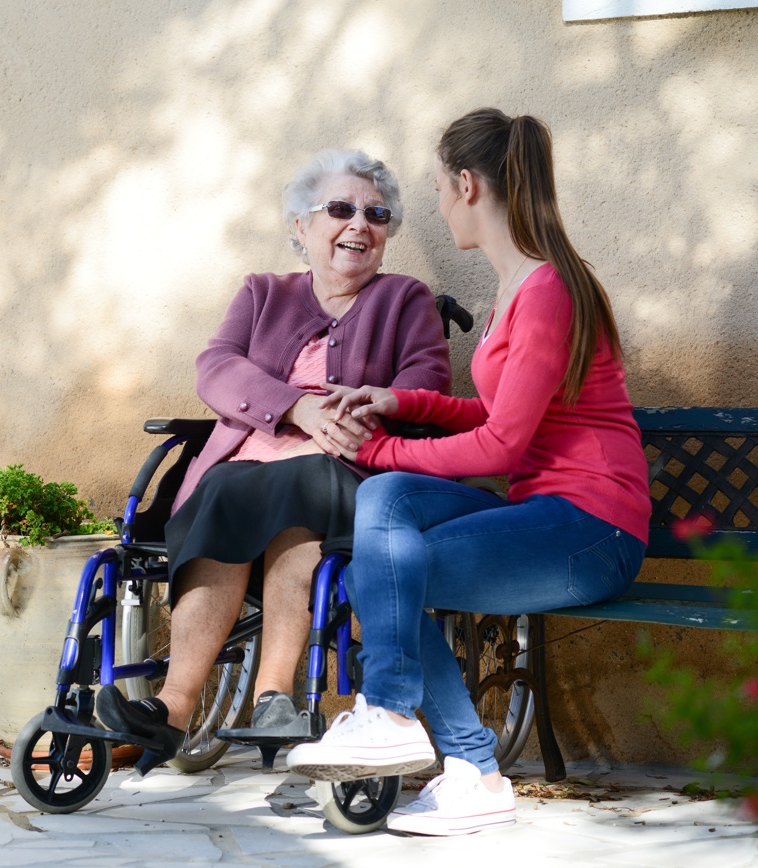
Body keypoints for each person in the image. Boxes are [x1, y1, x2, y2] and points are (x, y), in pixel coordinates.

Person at [284, 108, 651, 836]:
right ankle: (435, 744)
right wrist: (397, 402)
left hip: (591, 529)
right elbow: (492, 412)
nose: (441, 206)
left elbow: (501, 447)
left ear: (466, 183)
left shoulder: (547, 290)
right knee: (385, 513)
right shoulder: (517, 290)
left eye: (440, 190)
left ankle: (430, 739)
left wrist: (378, 447)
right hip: (541, 515)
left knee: (381, 563)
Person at [96, 148, 453, 773]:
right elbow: (217, 366)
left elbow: (427, 376)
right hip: (249, 469)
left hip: (346, 472)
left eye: (376, 213)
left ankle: (272, 697)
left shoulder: (405, 299)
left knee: (298, 487)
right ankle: (172, 710)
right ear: (301, 227)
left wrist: (363, 410)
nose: (359, 225)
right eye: (340, 209)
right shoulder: (263, 293)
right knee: (230, 487)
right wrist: (296, 410)